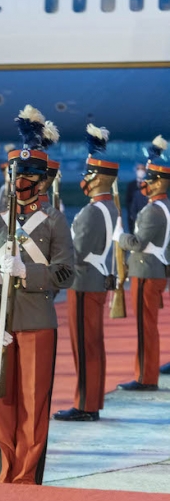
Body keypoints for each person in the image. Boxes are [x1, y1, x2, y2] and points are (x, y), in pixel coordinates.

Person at [0, 104, 74, 485]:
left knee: (34, 403)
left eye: (31, 173)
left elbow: (66, 272)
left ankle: (27, 477)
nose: (23, 179)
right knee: (2, 401)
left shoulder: (55, 220)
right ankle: (5, 471)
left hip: (36, 320)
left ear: (44, 181)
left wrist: (26, 271)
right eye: (19, 171)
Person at [55, 124, 118, 421]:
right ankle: (91, 401)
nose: (84, 179)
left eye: (88, 174)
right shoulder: (111, 208)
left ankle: (86, 405)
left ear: (97, 179)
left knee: (84, 346)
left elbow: (75, 252)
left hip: (82, 282)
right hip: (97, 278)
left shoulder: (92, 212)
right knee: (93, 344)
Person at [114, 135, 170, 390]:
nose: (144, 184)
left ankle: (145, 378)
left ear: (159, 183)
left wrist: (120, 237)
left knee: (144, 328)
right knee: (146, 326)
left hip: (146, 272)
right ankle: (146, 375)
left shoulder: (153, 210)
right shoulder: (162, 206)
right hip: (152, 270)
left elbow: (137, 243)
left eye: (149, 180)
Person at [125, 163, 149, 231]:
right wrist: (132, 214)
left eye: (142, 169)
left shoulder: (149, 185)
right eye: (139, 169)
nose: (140, 171)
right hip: (133, 217)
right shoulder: (131, 185)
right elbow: (128, 201)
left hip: (146, 217)